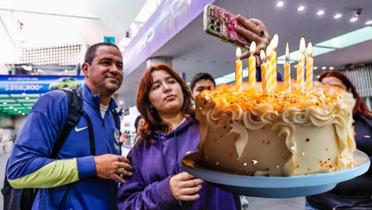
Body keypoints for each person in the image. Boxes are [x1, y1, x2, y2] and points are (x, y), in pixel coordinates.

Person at [6, 42, 132, 210]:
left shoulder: (113, 116)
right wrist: (92, 166)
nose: (115, 69)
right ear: (86, 69)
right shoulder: (57, 103)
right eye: (106, 62)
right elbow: (19, 171)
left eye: (119, 65)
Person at [117, 64, 241, 209]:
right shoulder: (141, 150)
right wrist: (164, 192)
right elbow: (127, 203)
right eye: (156, 86)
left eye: (171, 81)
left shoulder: (215, 126)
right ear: (148, 101)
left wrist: (260, 64)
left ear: (182, 89)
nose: (167, 88)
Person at [305, 70, 372, 210]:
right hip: (317, 202)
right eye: (324, 88)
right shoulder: (313, 121)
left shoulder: (366, 120)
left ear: (349, 90)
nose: (330, 91)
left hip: (358, 203)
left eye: (336, 87)